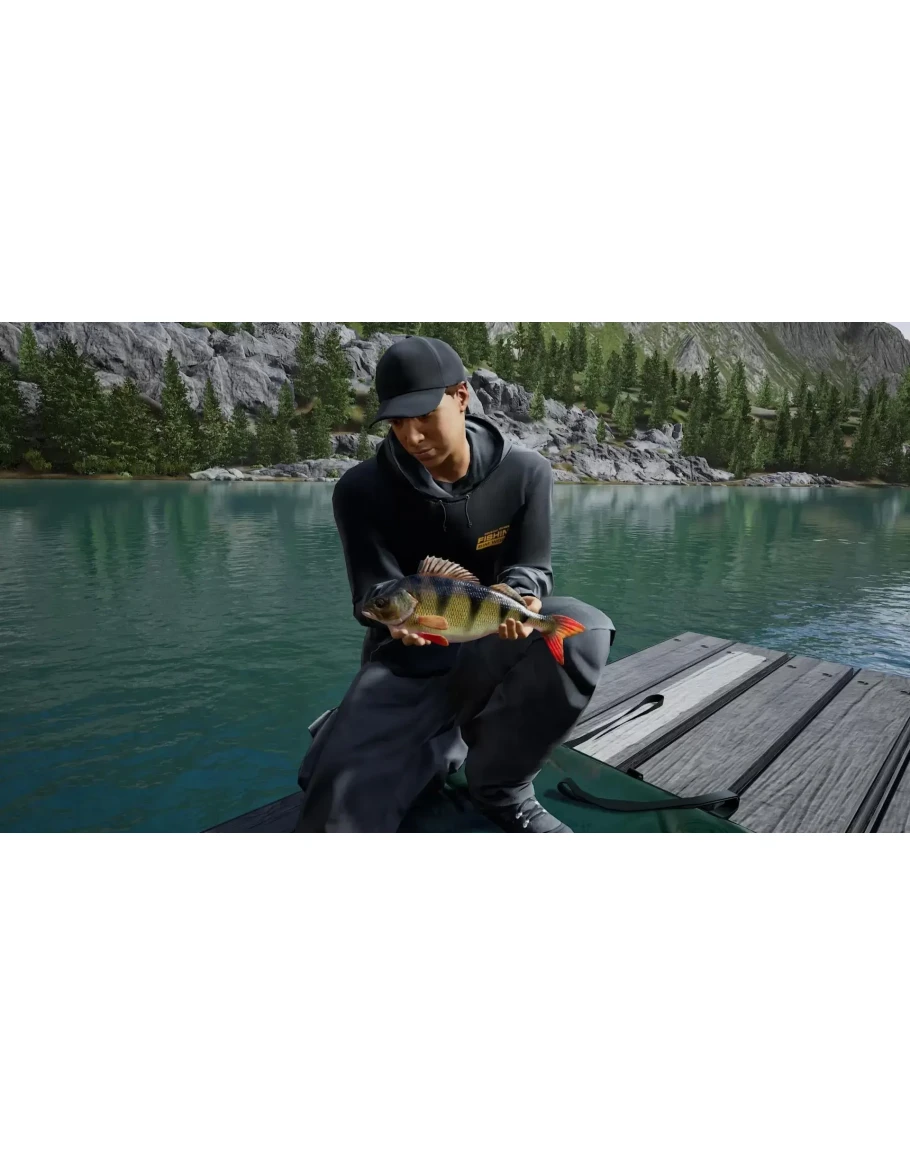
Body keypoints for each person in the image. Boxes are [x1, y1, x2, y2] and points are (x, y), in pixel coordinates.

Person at [295, 335, 614, 833]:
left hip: (492, 644)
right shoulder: (358, 490)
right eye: (397, 422)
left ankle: (501, 789)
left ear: (461, 396)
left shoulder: (527, 472)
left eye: (424, 415)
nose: (412, 435)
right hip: (405, 663)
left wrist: (521, 592)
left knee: (583, 632)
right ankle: (366, 729)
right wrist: (395, 624)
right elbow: (370, 595)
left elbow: (532, 567)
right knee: (332, 818)